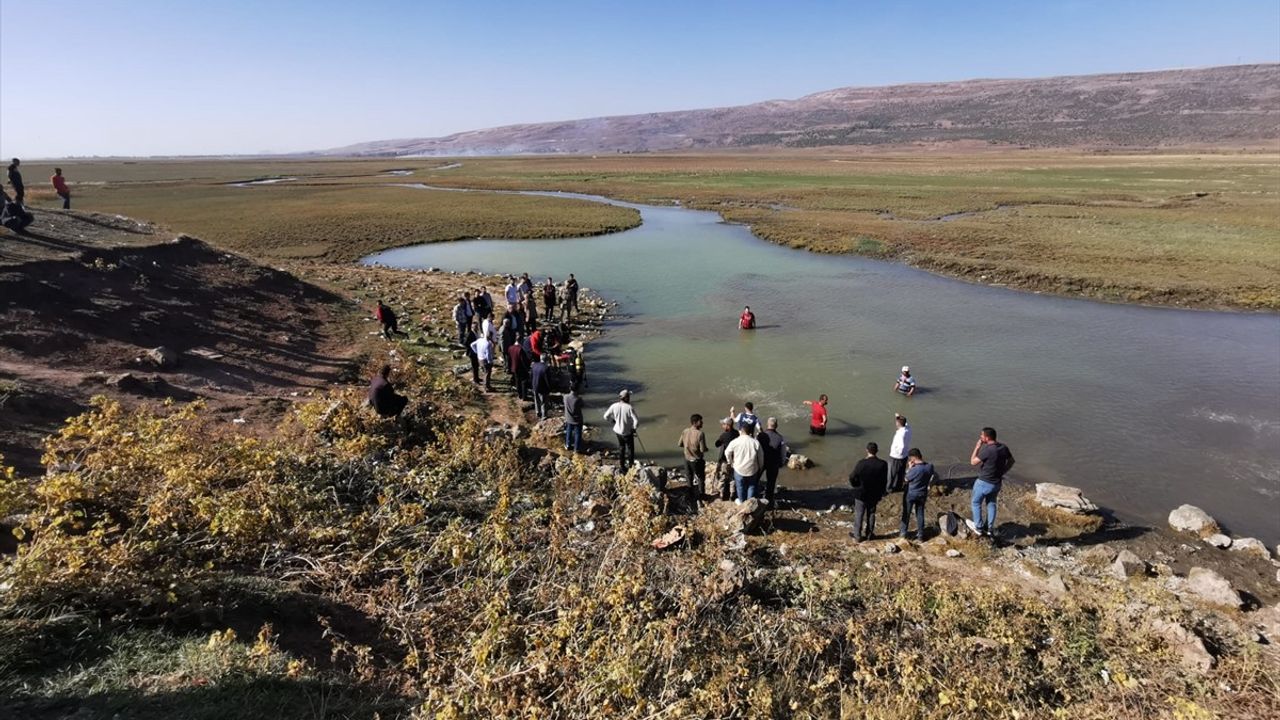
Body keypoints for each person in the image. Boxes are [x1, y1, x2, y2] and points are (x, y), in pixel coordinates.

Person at [969, 427, 1015, 537]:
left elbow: (973, 462)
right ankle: (989, 528)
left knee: (976, 503)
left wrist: (977, 447)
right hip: (996, 483)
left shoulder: (988, 450)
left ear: (987, 437)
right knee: (991, 504)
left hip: (983, 482)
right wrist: (1003, 471)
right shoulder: (1003, 447)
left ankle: (978, 527)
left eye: (981, 436)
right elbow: (1011, 461)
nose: (980, 437)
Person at [848, 442, 888, 542]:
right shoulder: (883, 464)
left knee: (859, 514)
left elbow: (852, 476)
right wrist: (882, 492)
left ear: (867, 450)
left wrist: (855, 485)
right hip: (874, 493)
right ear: (877, 451)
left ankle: (857, 535)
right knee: (871, 513)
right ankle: (869, 534)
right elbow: (884, 480)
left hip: (861, 492)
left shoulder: (861, 463)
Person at [724, 419, 764, 503]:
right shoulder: (755, 442)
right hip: (752, 469)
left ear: (740, 431)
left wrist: (730, 462)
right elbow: (761, 457)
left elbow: (727, 452)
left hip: (739, 468)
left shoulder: (735, 442)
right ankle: (750, 502)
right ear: (750, 432)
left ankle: (742, 502)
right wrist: (760, 467)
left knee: (740, 486)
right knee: (751, 486)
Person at [899, 448, 934, 541]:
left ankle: (903, 533)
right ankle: (920, 535)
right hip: (923, 493)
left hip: (911, 493)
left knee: (906, 513)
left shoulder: (915, 470)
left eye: (910, 459)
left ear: (913, 459)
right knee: (920, 513)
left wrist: (909, 468)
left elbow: (905, 479)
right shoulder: (930, 466)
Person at [603, 389, 639, 472]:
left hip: (617, 432)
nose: (629, 398)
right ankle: (630, 467)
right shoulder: (629, 407)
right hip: (627, 432)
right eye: (628, 396)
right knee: (630, 449)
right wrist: (634, 429)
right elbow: (636, 421)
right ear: (626, 398)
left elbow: (605, 416)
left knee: (621, 448)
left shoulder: (614, 406)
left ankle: (622, 467)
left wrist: (613, 421)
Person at [678, 414, 709, 507]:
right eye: (700, 421)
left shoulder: (685, 431)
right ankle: (701, 496)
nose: (702, 422)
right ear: (695, 423)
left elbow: (679, 444)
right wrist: (707, 449)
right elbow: (702, 449)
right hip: (696, 460)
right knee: (700, 478)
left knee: (689, 477)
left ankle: (690, 495)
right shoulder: (700, 434)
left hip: (686, 458)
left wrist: (688, 447)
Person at [758, 417, 790, 503]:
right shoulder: (780, 438)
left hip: (761, 461)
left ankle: (753, 496)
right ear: (776, 426)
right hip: (774, 462)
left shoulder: (760, 436)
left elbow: (756, 448)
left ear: (767, 424)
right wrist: (782, 463)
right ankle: (769, 500)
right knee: (771, 482)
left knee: (756, 479)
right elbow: (783, 453)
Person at [713, 417, 737, 501]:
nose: (722, 426)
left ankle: (722, 494)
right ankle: (732, 493)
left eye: (723, 424)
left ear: (728, 425)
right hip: (735, 460)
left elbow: (717, 444)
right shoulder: (736, 433)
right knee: (732, 477)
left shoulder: (724, 435)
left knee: (723, 476)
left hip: (725, 460)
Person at [887, 413, 912, 492]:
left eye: (896, 421)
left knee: (891, 474)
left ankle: (888, 488)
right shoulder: (908, 428)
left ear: (898, 423)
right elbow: (906, 423)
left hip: (896, 457)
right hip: (905, 455)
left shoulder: (901, 434)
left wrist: (896, 453)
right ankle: (898, 487)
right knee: (900, 473)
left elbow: (901, 446)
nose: (895, 423)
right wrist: (898, 416)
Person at [564, 382, 585, 453]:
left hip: (568, 418)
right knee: (578, 434)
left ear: (570, 388)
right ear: (577, 389)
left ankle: (567, 445)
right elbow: (582, 406)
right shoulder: (578, 399)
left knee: (568, 431)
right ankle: (576, 449)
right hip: (577, 419)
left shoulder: (565, 397)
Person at [530, 353, 552, 419]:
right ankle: (544, 415)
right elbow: (547, 380)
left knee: (536, 400)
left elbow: (531, 375)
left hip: (534, 385)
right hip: (543, 388)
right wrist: (550, 388)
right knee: (543, 402)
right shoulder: (546, 368)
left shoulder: (534, 365)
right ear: (547, 360)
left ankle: (537, 412)